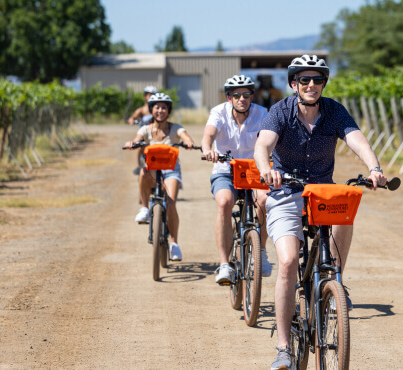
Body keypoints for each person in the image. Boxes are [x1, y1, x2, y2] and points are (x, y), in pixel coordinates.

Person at [254, 55, 386, 369]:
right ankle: (283, 347)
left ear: (323, 83)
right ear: (293, 84)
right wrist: (265, 170)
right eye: (304, 80)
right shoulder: (280, 111)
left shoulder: (334, 111)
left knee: (346, 205)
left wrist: (375, 168)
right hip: (286, 190)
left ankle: (335, 279)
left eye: (317, 80)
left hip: (321, 190)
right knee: (287, 262)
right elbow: (263, 146)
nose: (310, 85)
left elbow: (357, 139)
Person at [201, 75, 272, 284]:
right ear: (229, 97)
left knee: (266, 201)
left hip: (253, 170)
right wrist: (207, 150)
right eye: (237, 95)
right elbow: (209, 135)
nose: (242, 98)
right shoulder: (218, 112)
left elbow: (271, 139)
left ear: (252, 96)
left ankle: (262, 251)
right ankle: (224, 264)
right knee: (224, 202)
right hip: (225, 169)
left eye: (246, 94)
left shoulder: (263, 113)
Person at [124, 93, 195, 262]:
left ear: (168, 110)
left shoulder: (175, 127)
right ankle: (144, 208)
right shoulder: (146, 129)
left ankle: (174, 243)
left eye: (164, 107)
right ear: (151, 110)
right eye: (157, 107)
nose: (160, 110)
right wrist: (132, 144)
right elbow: (137, 138)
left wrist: (189, 143)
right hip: (152, 170)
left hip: (171, 171)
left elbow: (185, 136)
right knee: (143, 171)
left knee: (170, 203)